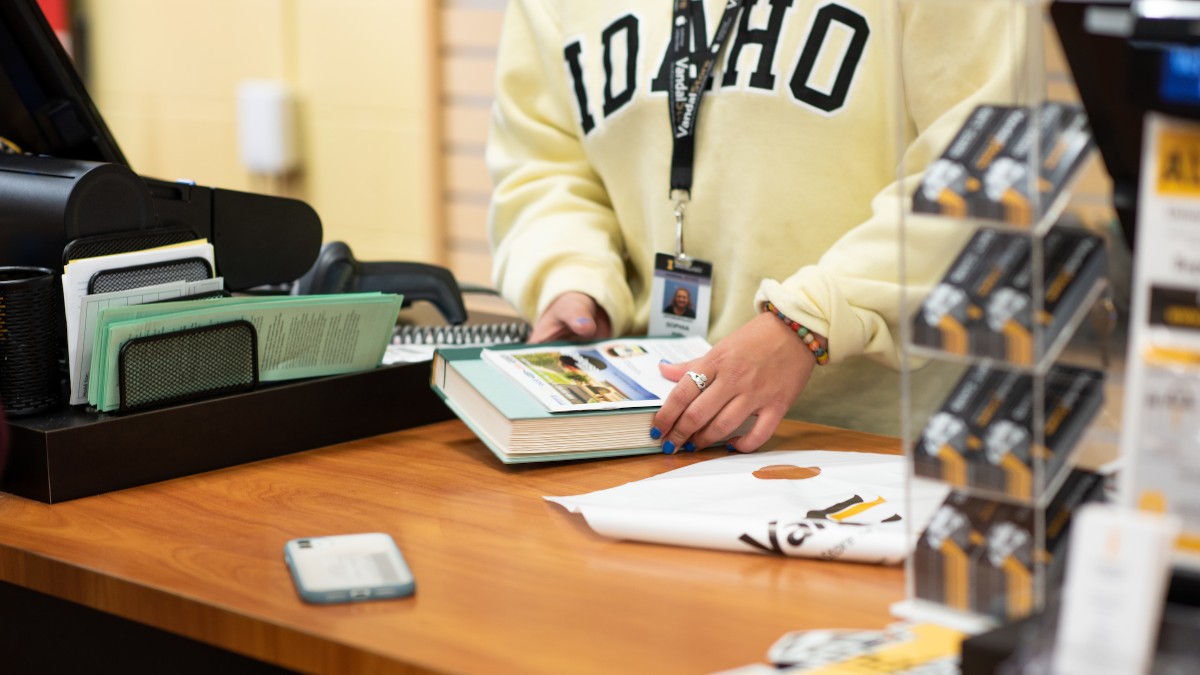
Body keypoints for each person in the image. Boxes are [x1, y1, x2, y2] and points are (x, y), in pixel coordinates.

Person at [487, 0, 1025, 452]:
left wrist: (808, 321)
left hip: (891, 448)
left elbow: (984, 162)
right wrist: (572, 279)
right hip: (650, 437)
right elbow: (543, 164)